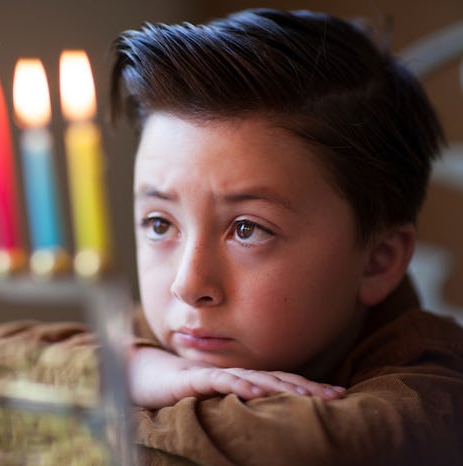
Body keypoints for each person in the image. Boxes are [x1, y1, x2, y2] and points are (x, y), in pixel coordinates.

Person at [109, 7, 463, 466]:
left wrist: (95, 393)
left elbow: (304, 447)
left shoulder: (434, 393)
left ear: (378, 261)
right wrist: (134, 368)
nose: (188, 285)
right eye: (160, 224)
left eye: (247, 229)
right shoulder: (181, 335)